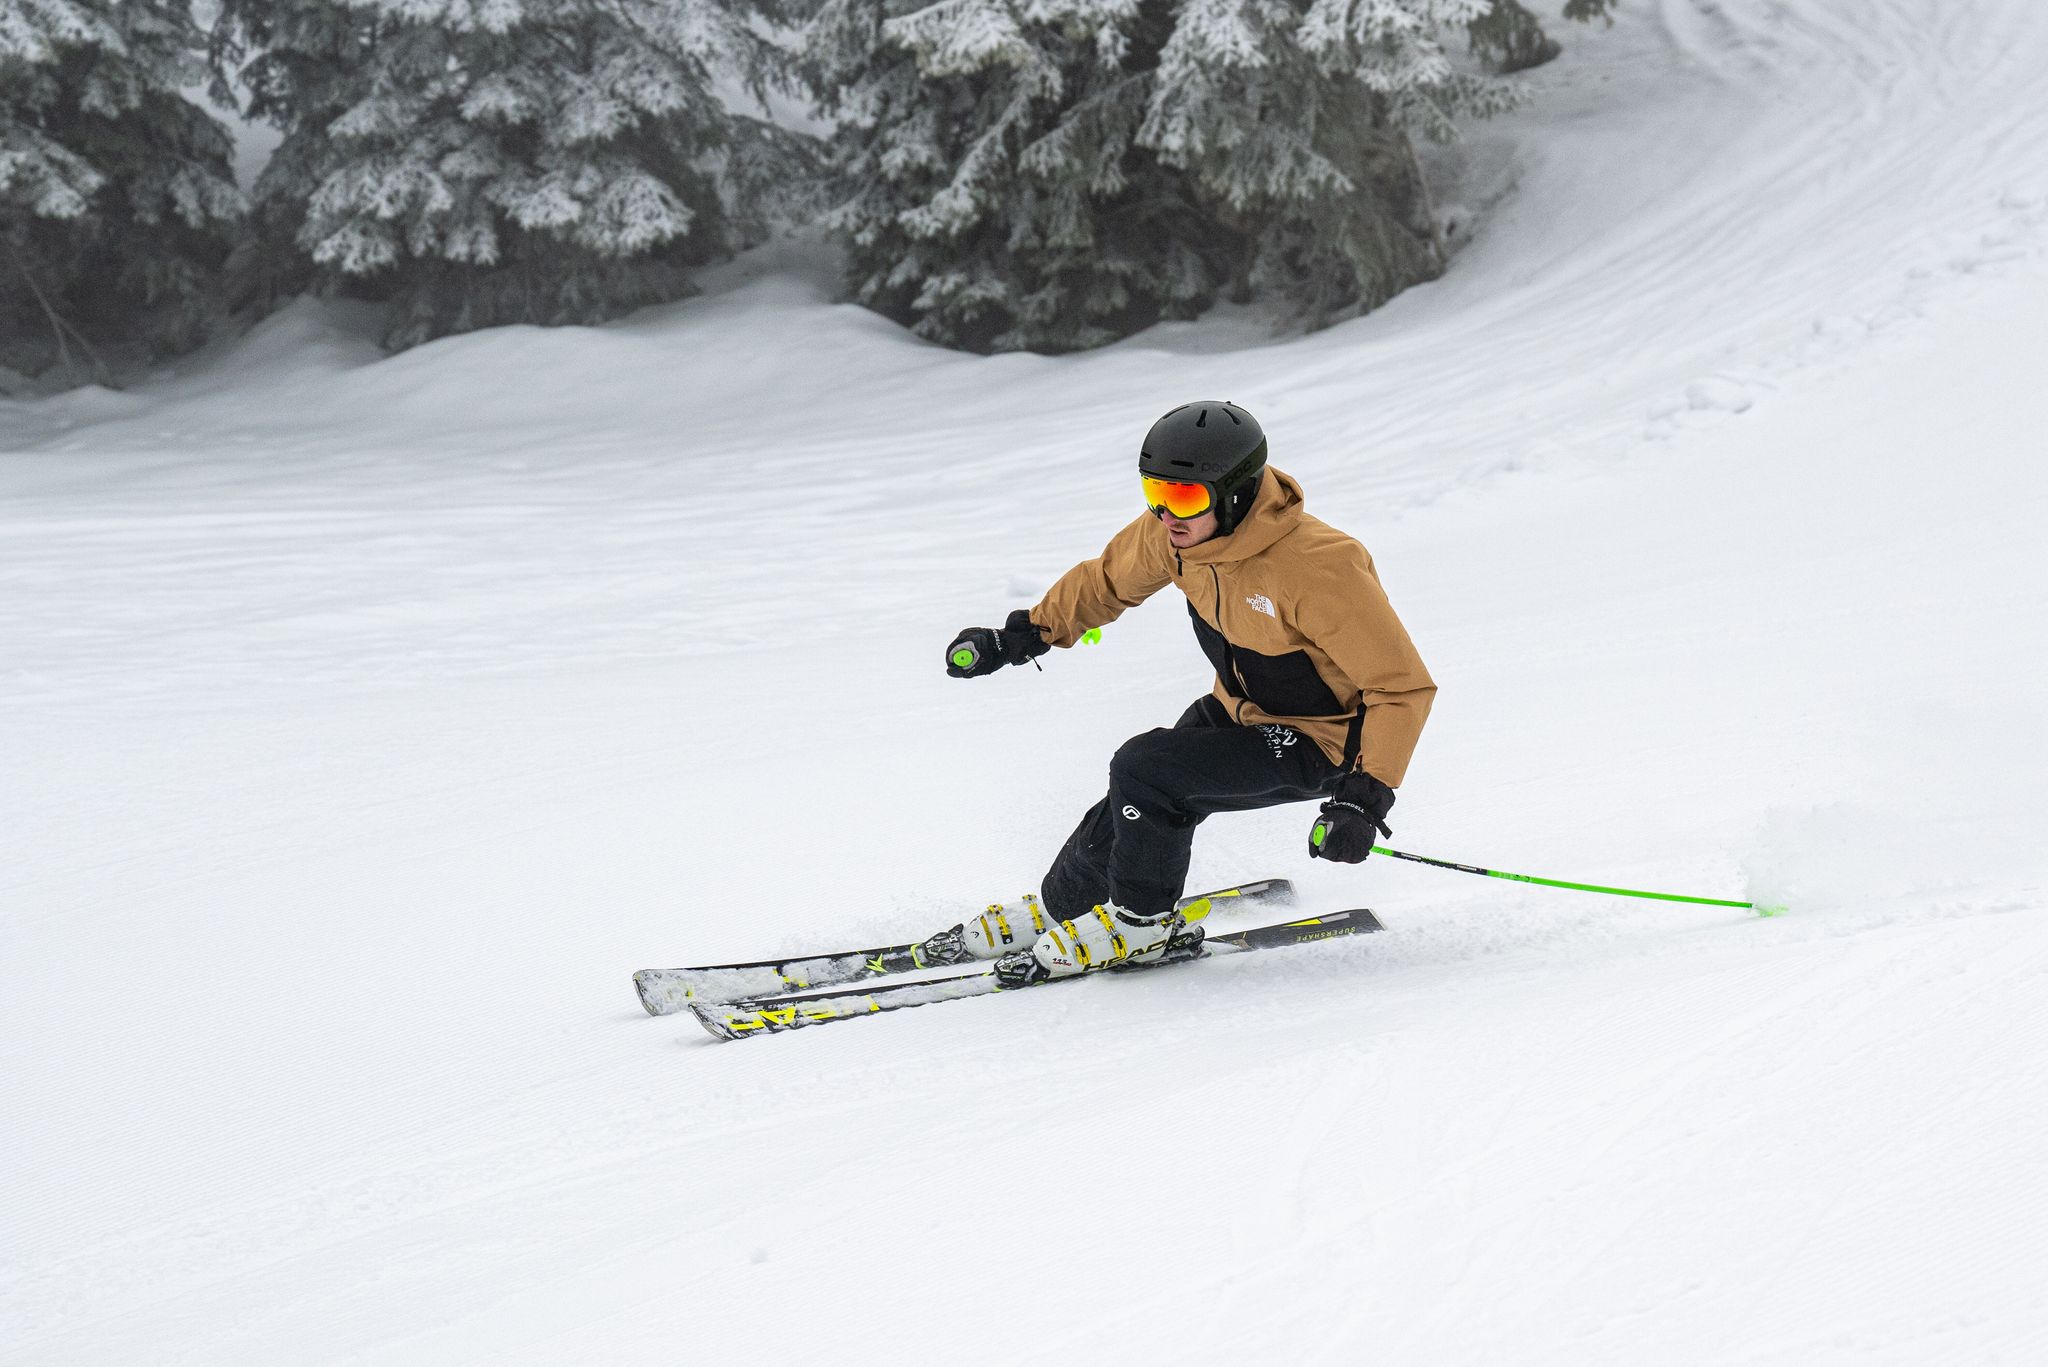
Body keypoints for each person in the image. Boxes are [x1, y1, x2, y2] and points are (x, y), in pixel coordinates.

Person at [935, 400, 1436, 985]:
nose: (1166, 513)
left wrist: (1365, 797)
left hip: (1325, 741)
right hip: (1240, 711)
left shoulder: (1320, 567)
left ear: (1237, 493)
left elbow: (1401, 687)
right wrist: (1023, 636)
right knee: (1137, 794)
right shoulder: (1176, 537)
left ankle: (1141, 924)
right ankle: (1065, 904)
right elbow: (1104, 582)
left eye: (1186, 497)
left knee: (1149, 772)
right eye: (1156, 492)